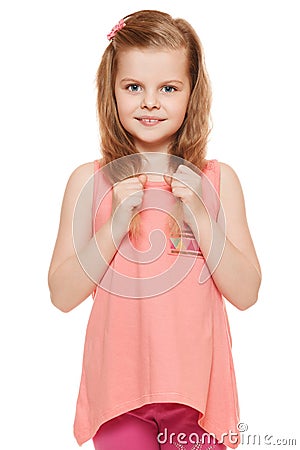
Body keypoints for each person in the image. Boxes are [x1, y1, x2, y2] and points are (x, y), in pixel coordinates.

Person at [48, 9, 261, 450]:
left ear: (191, 93)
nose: (150, 102)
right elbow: (62, 294)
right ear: (112, 92)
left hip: (197, 395)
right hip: (119, 396)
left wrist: (201, 219)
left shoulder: (217, 180)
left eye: (168, 88)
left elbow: (247, 292)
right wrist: (115, 225)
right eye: (133, 87)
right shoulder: (90, 181)